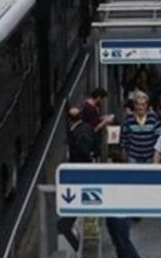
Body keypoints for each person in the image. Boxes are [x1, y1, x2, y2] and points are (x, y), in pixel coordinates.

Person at [58, 107, 97, 251]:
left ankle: (76, 247)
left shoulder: (77, 133)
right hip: (84, 177)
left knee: (63, 225)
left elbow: (84, 150)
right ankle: (77, 246)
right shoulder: (88, 128)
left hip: (79, 178)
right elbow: (95, 147)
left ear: (69, 119)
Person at [121, 91, 161, 163]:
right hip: (133, 156)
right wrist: (124, 150)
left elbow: (158, 137)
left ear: (146, 105)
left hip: (150, 156)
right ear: (135, 105)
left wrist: (158, 154)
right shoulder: (128, 118)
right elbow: (124, 137)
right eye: (138, 104)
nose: (140, 107)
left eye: (143, 104)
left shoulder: (154, 118)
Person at [82, 87, 115, 154]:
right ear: (99, 98)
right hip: (91, 139)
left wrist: (103, 118)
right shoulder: (89, 109)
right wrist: (105, 121)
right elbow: (95, 128)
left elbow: (95, 119)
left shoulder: (93, 106)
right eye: (102, 99)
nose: (102, 101)